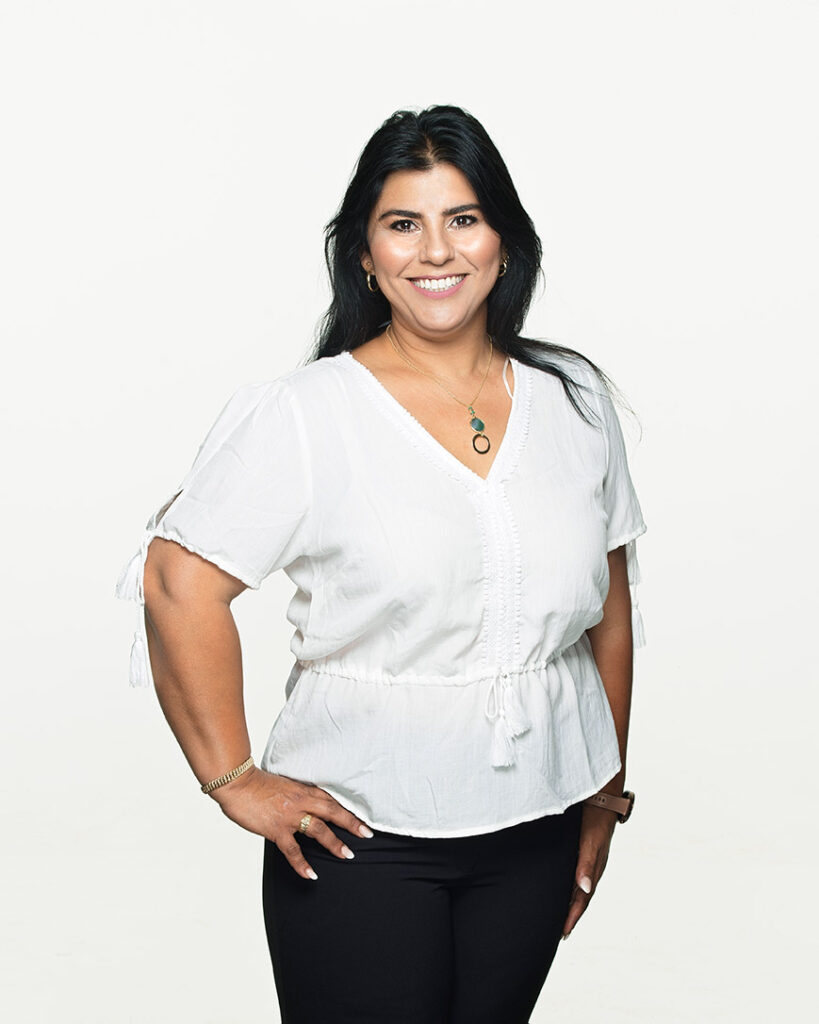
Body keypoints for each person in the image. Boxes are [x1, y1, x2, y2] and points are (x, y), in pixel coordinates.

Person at [116, 104, 647, 1024]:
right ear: (364, 254)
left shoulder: (574, 402)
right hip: (362, 836)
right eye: (403, 223)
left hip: (539, 824)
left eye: (463, 219)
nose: (436, 250)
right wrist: (232, 777)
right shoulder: (304, 414)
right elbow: (177, 582)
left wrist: (600, 795)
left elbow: (607, 609)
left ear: (504, 242)